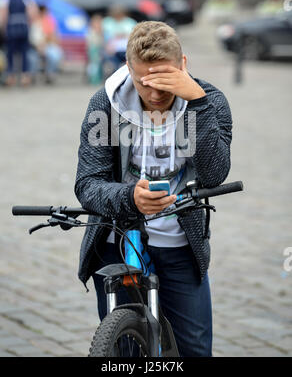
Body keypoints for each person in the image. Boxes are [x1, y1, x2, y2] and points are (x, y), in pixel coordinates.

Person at [74, 21, 232, 357]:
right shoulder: (106, 104)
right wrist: (130, 197)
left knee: (194, 349)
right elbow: (88, 183)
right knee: (126, 351)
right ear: (128, 69)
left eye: (166, 80)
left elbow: (215, 173)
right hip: (117, 242)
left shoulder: (209, 101)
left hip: (179, 245)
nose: (157, 94)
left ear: (183, 65)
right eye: (146, 83)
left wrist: (198, 105)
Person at [0, 0, 36, 86]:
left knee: (10, 53)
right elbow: (32, 13)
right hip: (23, 26)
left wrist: (3, 28)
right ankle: (25, 77)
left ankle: (11, 77)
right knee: (24, 52)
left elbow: (3, 14)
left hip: (12, 27)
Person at [29, 5, 63, 84]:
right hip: (35, 47)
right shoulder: (33, 22)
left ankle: (50, 75)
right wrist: (38, 46)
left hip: (48, 46)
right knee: (31, 58)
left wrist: (46, 42)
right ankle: (32, 76)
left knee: (55, 55)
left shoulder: (49, 21)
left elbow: (53, 37)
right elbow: (32, 38)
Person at [102, 6, 136, 72]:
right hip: (111, 48)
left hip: (126, 48)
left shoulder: (130, 22)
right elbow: (104, 36)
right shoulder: (107, 22)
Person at [86, 14, 104, 85]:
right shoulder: (91, 32)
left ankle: (98, 78)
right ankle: (93, 79)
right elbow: (91, 42)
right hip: (93, 49)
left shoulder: (102, 32)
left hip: (99, 49)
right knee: (94, 65)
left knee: (99, 65)